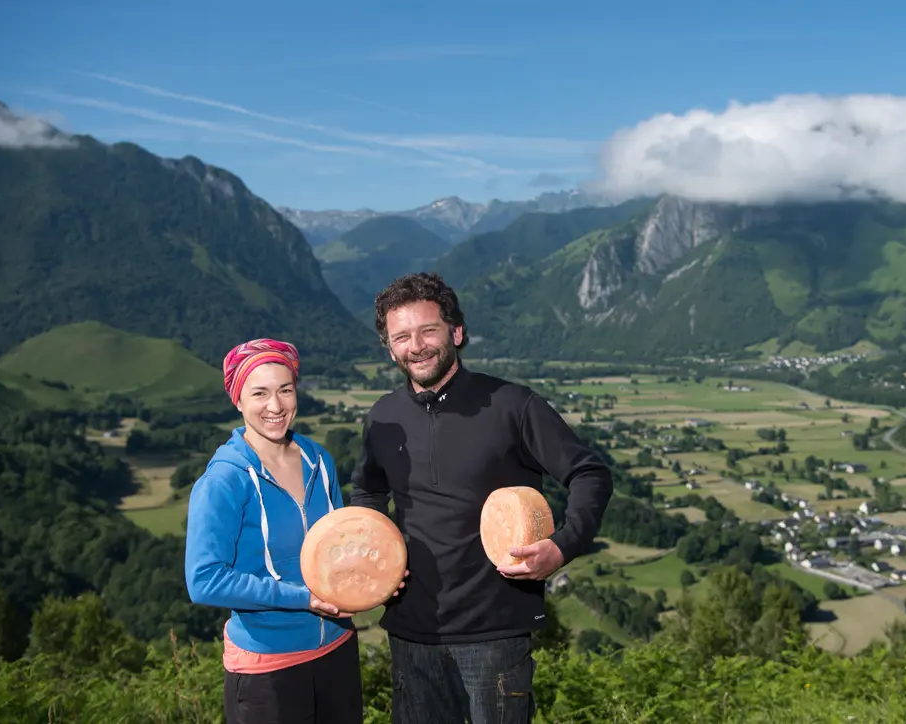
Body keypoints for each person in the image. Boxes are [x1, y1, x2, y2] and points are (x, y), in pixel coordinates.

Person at [350, 272, 614, 724]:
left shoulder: (514, 405)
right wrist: (376, 562)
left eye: (428, 330)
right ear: (389, 347)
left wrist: (562, 545)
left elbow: (589, 473)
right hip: (411, 631)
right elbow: (368, 491)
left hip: (495, 631)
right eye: (402, 337)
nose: (417, 346)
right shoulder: (382, 417)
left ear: (456, 332)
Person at [184, 338, 371, 724]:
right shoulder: (224, 481)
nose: (276, 406)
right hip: (268, 665)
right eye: (260, 393)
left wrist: (375, 573)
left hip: (337, 648)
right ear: (237, 400)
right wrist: (302, 599)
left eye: (285, 390)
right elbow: (203, 581)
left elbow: (339, 543)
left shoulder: (318, 459)